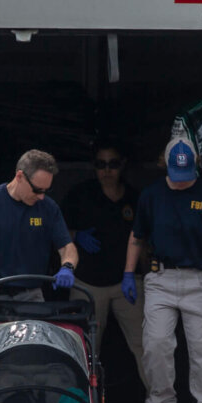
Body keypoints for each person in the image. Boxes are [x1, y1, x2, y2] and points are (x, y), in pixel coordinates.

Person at [122, 138, 202, 403]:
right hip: (160, 279)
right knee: (157, 344)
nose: (182, 182)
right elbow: (137, 236)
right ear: (166, 166)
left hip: (198, 280)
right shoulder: (152, 196)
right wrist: (128, 273)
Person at [61, 141, 148, 389]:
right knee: (82, 347)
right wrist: (77, 236)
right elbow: (56, 233)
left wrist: (146, 277)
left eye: (112, 164)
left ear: (122, 165)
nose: (107, 170)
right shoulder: (80, 195)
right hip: (86, 283)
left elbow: (143, 240)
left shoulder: (135, 197)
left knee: (146, 344)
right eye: (101, 164)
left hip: (127, 283)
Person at [0, 149, 79, 301]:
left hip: (31, 295)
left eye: (46, 190)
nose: (41, 196)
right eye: (37, 190)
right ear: (20, 176)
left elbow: (66, 246)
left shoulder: (48, 208)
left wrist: (67, 267)